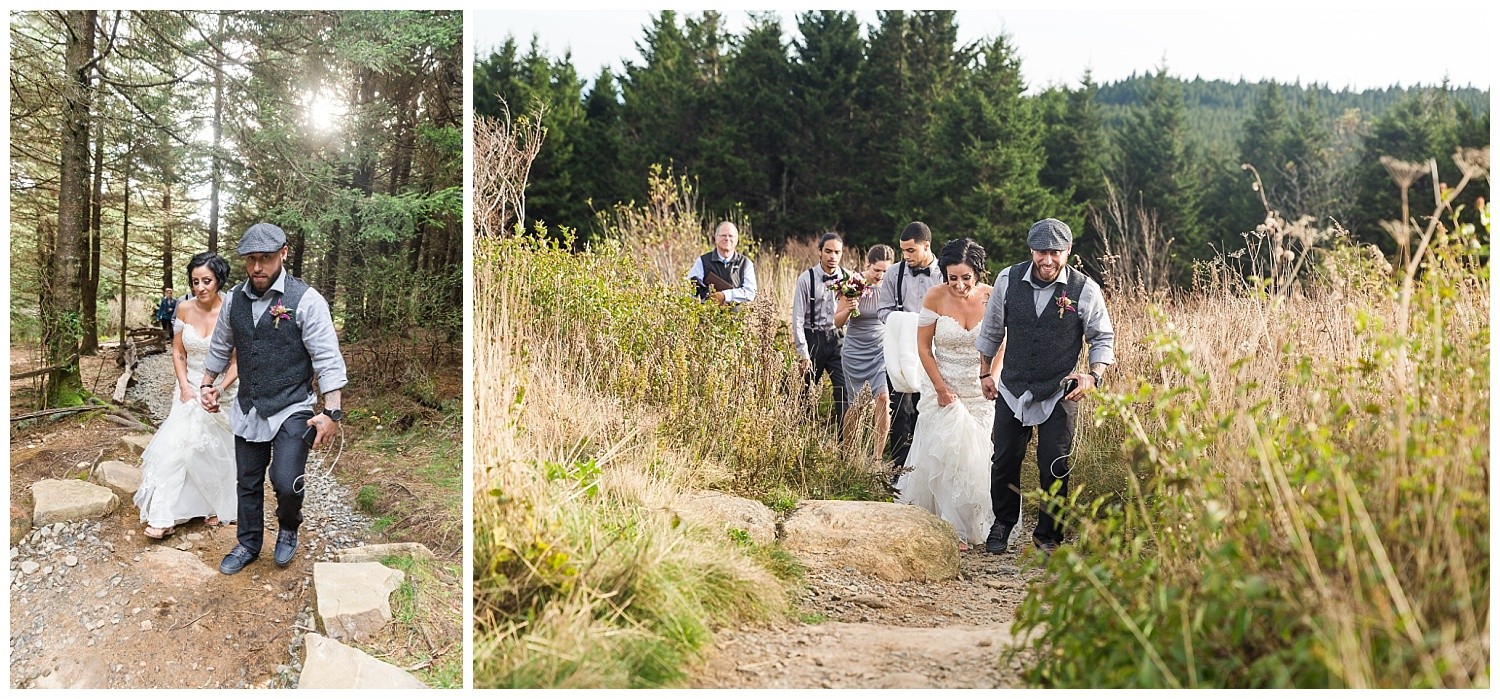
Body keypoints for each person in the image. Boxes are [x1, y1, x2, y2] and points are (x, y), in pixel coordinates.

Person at [200, 222, 348, 575]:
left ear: (283, 254)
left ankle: (288, 527)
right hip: (249, 405)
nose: (256, 268)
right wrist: (208, 384)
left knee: (285, 480)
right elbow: (221, 346)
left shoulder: (306, 300)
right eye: (251, 260)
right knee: (247, 481)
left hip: (292, 405)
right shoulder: (234, 298)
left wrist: (332, 411)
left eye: (265, 259)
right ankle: (248, 542)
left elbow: (327, 358)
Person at [976, 218, 1115, 556]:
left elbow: (1102, 339)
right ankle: (1003, 523)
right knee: (1004, 459)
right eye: (1041, 252)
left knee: (1055, 462)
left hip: (1059, 389)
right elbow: (992, 330)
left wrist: (1092, 376)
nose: (1047, 260)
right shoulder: (1008, 279)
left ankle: (1048, 535)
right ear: (1031, 251)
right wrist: (985, 373)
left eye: (1055, 252)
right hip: (1013, 386)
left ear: (1067, 252)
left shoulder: (1085, 289)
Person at [896, 238, 997, 550]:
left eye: (966, 278)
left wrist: (992, 374)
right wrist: (940, 388)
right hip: (943, 385)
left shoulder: (991, 297)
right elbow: (924, 348)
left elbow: (1001, 340)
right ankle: (949, 527)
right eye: (953, 278)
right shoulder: (935, 296)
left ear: (978, 273)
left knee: (976, 456)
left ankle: (976, 524)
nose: (960, 285)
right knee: (946, 453)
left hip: (980, 388)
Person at [135, 253, 239, 539]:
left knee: (214, 448)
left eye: (207, 281)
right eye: (195, 282)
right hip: (189, 386)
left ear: (219, 280)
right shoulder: (183, 308)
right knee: (175, 446)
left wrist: (218, 389)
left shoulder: (233, 310)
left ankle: (216, 504)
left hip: (223, 389)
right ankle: (164, 514)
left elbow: (237, 361)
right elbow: (179, 350)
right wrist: (184, 386)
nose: (200, 287)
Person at [876, 222, 943, 472]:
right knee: (900, 411)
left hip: (933, 352)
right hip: (899, 352)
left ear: (927, 245)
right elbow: (883, 310)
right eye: (903, 251)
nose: (906, 256)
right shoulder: (894, 273)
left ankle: (926, 469)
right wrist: (904, 323)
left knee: (927, 409)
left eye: (911, 250)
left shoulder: (943, 275)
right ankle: (899, 471)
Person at [834, 244, 894, 456]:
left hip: (879, 351)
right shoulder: (853, 283)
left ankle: (877, 458)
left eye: (885, 270)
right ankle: (849, 453)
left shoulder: (891, 286)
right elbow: (837, 321)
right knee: (856, 405)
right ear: (868, 265)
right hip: (854, 353)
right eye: (877, 270)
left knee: (883, 398)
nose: (880, 275)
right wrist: (849, 309)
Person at [791, 232, 852, 428]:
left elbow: (855, 314)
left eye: (837, 252)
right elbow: (798, 318)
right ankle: (800, 436)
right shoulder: (806, 279)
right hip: (813, 339)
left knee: (844, 390)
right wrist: (803, 352)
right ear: (820, 252)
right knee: (805, 392)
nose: (832, 256)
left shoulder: (849, 278)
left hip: (838, 339)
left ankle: (844, 442)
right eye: (828, 251)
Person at [686, 221, 757, 305]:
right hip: (708, 316)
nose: (727, 238)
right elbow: (688, 288)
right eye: (723, 235)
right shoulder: (702, 261)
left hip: (737, 316)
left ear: (737, 240)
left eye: (731, 236)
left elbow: (750, 293)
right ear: (716, 238)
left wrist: (724, 295)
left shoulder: (745, 263)